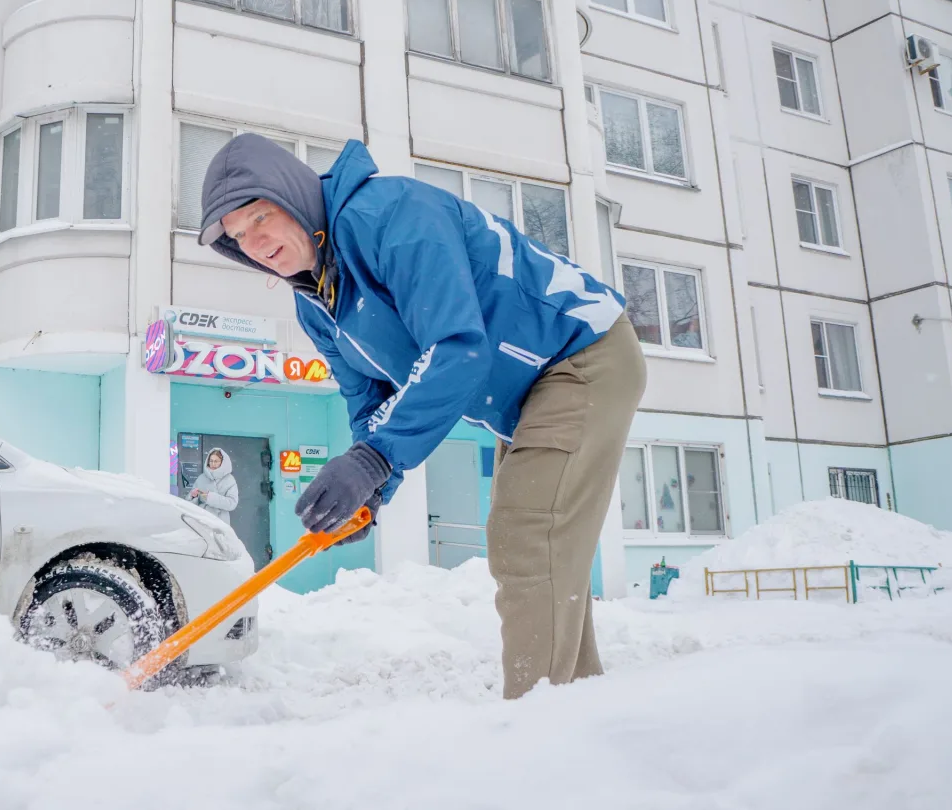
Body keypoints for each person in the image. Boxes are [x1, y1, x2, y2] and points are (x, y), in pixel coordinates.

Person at [198, 134, 646, 698]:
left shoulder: (392, 216)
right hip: (524, 389)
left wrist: (376, 459)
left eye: (260, 217)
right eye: (238, 235)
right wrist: (371, 487)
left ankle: (536, 723)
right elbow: (369, 397)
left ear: (294, 196)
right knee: (542, 544)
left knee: (529, 534)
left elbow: (457, 347)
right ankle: (574, 706)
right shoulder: (314, 298)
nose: (254, 242)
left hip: (579, 353)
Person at [187, 447, 239, 525]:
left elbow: (232, 503)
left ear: (222, 462)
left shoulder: (229, 480)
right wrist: (193, 496)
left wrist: (210, 497)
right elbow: (189, 504)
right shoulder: (202, 478)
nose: (213, 464)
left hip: (220, 521)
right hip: (202, 520)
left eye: (216, 461)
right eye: (211, 461)